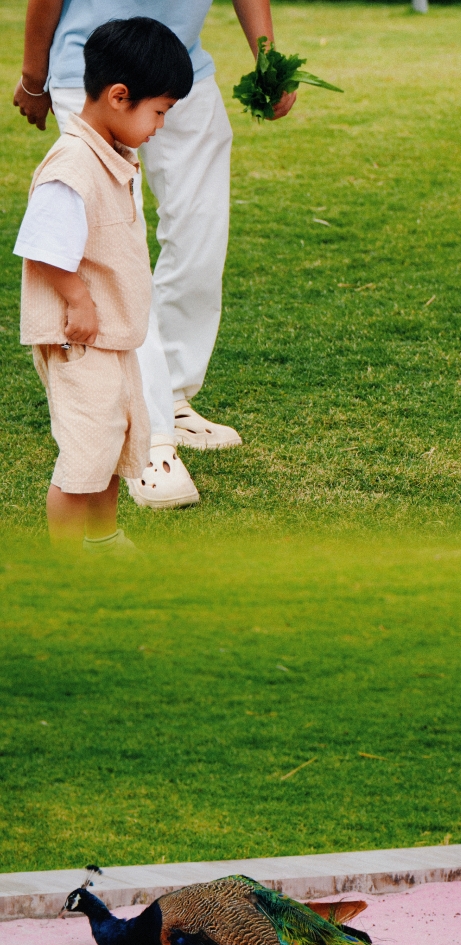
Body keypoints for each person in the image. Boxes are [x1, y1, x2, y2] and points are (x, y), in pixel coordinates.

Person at [13, 1, 295, 509]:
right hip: (95, 67)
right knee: (116, 244)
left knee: (201, 229)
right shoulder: (83, 146)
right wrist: (35, 77)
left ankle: (172, 395)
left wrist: (267, 57)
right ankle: (151, 444)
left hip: (179, 64)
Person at [13, 18, 194, 551]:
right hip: (81, 341)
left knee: (114, 445)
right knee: (84, 457)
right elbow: (43, 246)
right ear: (120, 96)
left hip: (113, 341)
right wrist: (79, 300)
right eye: (158, 111)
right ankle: (68, 563)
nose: (161, 124)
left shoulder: (111, 155)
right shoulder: (73, 165)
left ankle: (103, 537)